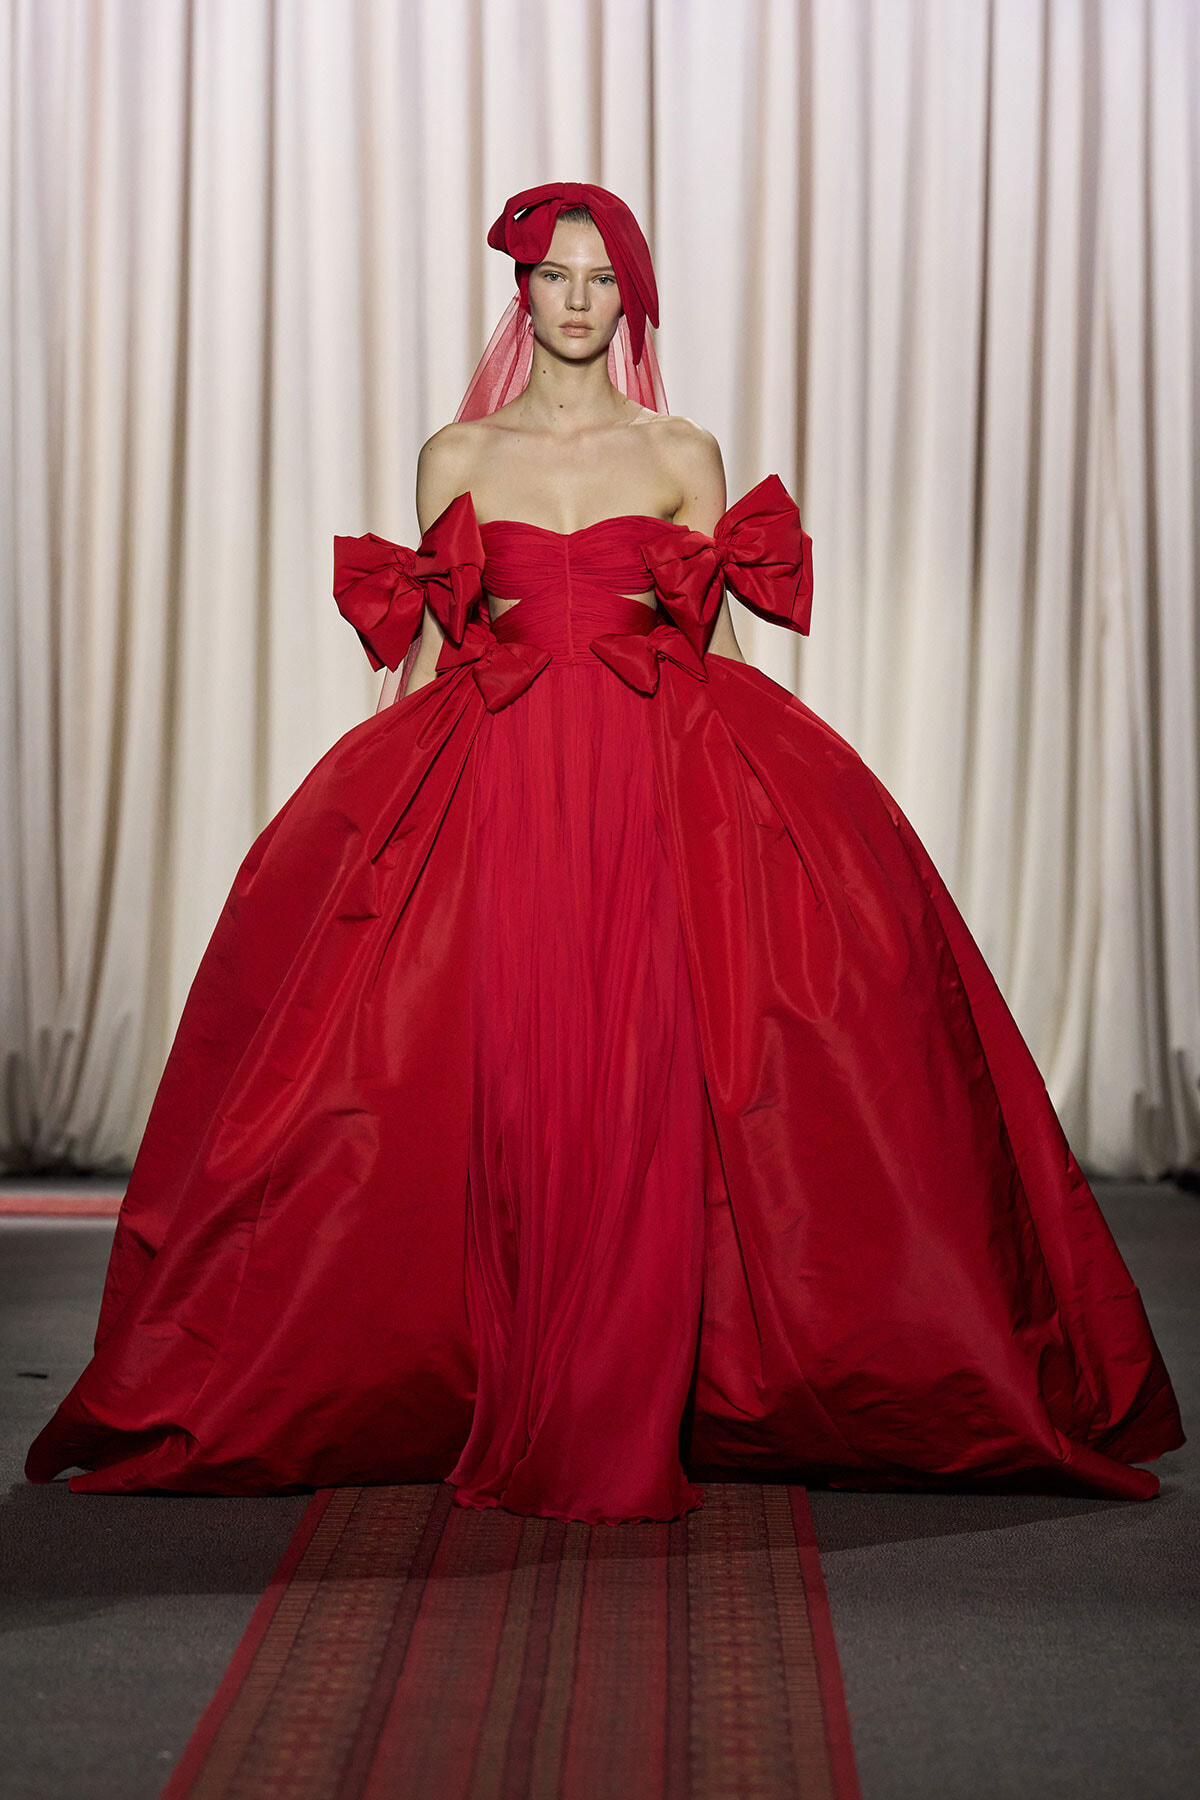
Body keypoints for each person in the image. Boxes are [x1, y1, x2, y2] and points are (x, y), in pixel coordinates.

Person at [25, 181, 1183, 1524]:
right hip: (501, 787)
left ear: (627, 299)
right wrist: (360, 842)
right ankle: (517, 1376)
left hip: (653, 790)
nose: (576, 301)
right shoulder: (456, 455)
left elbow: (718, 649)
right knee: (509, 1089)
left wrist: (798, 802)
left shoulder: (682, 451)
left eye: (600, 281)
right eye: (554, 277)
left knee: (652, 1087)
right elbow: (425, 657)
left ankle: (618, 1404)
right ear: (519, 291)